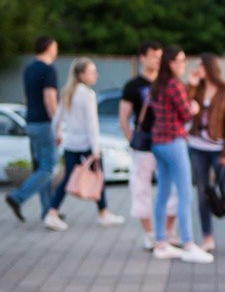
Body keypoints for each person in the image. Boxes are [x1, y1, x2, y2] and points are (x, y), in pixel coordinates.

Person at [149, 46, 212, 264]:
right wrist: (194, 107)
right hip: (173, 142)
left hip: (158, 143)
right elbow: (185, 113)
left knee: (163, 193)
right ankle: (188, 244)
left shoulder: (158, 84)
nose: (184, 64)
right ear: (171, 63)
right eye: (181, 60)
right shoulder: (174, 84)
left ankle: (160, 242)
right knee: (185, 193)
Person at [45, 58, 124, 229]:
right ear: (81, 75)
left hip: (70, 143)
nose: (96, 75)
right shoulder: (87, 94)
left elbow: (56, 119)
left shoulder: (67, 92)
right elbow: (92, 124)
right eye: (92, 72)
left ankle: (52, 213)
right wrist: (95, 149)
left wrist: (58, 134)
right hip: (87, 144)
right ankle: (103, 213)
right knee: (98, 176)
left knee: (67, 179)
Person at [119, 41, 177, 249]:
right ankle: (150, 233)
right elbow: (123, 118)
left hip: (168, 142)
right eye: (152, 55)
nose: (157, 60)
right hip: (144, 145)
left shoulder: (168, 82)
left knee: (173, 188)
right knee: (141, 188)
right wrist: (132, 140)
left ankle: (167, 232)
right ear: (142, 58)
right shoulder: (133, 86)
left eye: (159, 56)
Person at [187, 54, 225, 255]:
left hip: (219, 147)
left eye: (200, 66)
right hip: (197, 147)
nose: (197, 69)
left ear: (209, 68)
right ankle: (207, 237)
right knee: (202, 191)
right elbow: (183, 105)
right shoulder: (196, 88)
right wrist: (191, 84)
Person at [6, 36, 60, 223]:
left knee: (42, 167)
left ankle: (48, 211)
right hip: (45, 123)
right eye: (55, 47)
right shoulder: (48, 69)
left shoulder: (29, 69)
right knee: (49, 168)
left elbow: (27, 99)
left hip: (31, 122)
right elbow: (49, 99)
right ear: (49, 47)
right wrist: (58, 125)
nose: (56, 50)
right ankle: (17, 197)